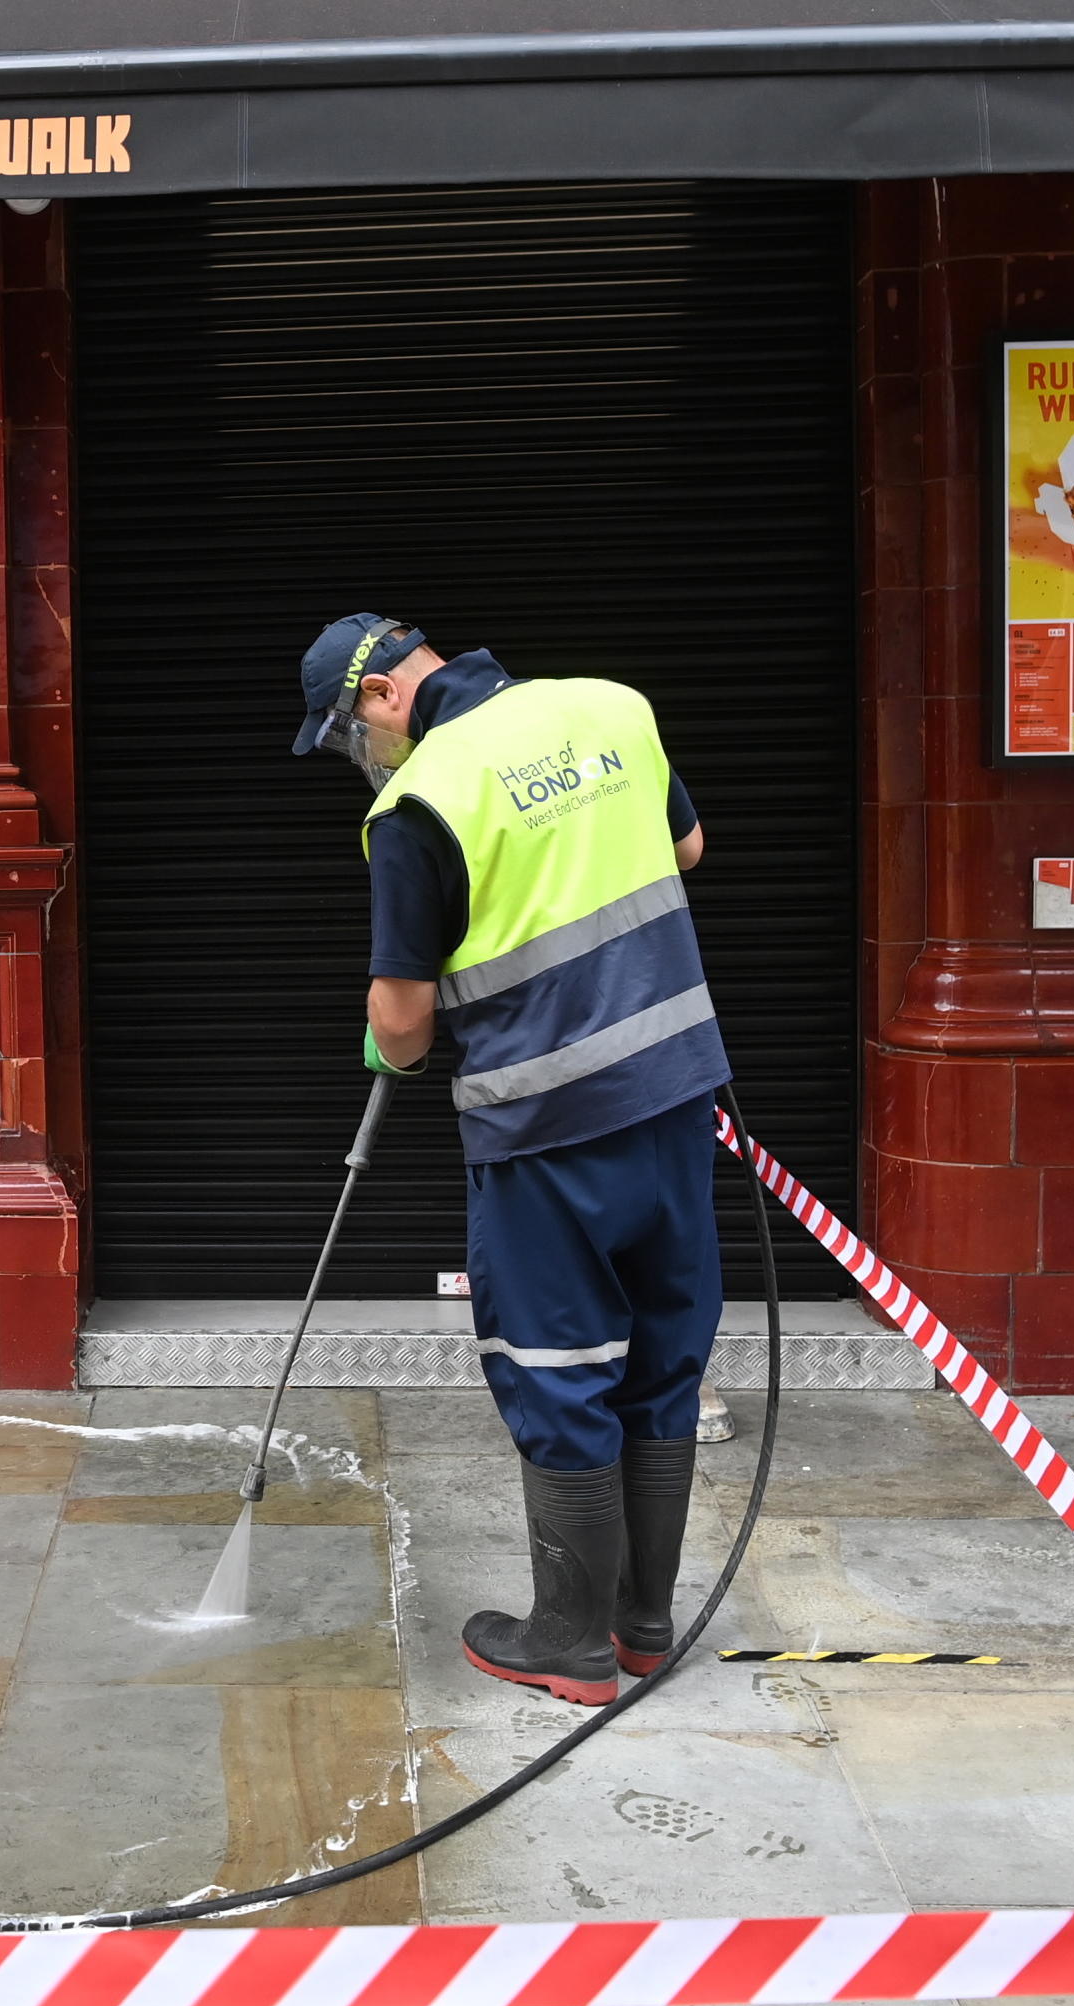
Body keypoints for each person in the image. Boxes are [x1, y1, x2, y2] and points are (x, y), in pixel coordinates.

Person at [293, 613, 727, 1705]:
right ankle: (641, 1622)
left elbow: (402, 1024)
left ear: (383, 696)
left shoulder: (418, 801)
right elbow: (685, 850)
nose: (364, 759)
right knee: (664, 1352)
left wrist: (391, 1029)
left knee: (556, 1362)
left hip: (546, 1130)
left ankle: (571, 1644)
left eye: (353, 736)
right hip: (674, 1097)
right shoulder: (611, 705)